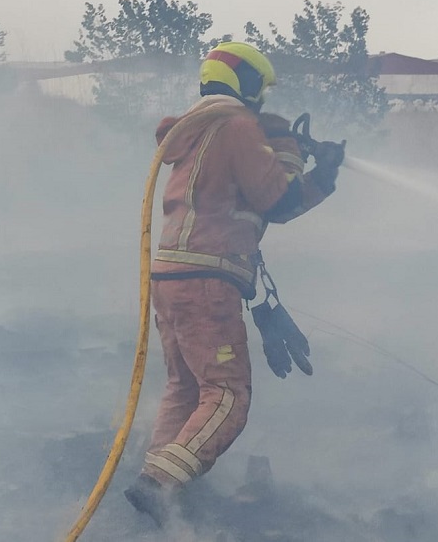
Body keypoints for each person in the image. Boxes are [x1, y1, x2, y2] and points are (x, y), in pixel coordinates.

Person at [124, 41, 344, 525]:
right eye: (261, 91)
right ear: (246, 84)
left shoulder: (194, 132)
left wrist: (317, 174)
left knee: (185, 389)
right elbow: (278, 202)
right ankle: (157, 485)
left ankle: (166, 494)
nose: (263, 101)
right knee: (227, 397)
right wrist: (292, 152)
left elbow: (243, 196)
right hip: (208, 282)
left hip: (170, 278)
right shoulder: (238, 126)